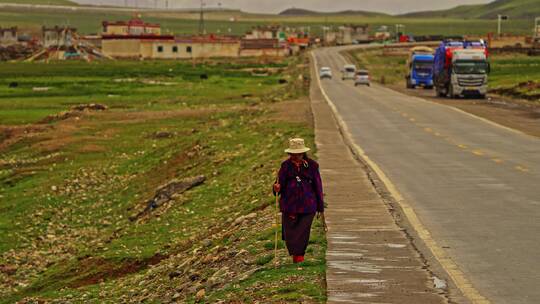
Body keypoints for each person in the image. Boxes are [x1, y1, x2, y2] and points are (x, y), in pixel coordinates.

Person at [273, 138, 325, 264]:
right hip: (289, 205)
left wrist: (320, 207)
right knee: (290, 232)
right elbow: (278, 185)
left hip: (308, 205)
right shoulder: (285, 166)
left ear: (303, 153)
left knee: (303, 231)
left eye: (299, 154)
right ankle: (295, 256)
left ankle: (299, 258)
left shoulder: (312, 166)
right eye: (294, 154)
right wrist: (276, 188)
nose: (296, 157)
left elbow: (318, 186)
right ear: (290, 154)